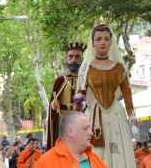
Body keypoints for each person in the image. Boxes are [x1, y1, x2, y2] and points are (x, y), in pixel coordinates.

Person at [76, 24, 137, 168]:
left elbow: (127, 93)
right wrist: (77, 115)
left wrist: (132, 115)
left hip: (116, 115)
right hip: (95, 117)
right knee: (97, 154)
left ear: (111, 42)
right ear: (93, 43)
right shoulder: (86, 68)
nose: (102, 42)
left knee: (119, 153)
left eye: (106, 39)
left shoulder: (119, 67)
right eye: (98, 39)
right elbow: (80, 95)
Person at [47, 42, 87, 149]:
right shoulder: (60, 81)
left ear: (82, 59)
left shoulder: (87, 80)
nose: (74, 59)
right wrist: (53, 106)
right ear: (66, 59)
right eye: (71, 56)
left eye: (77, 57)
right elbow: (52, 108)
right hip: (63, 123)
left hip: (82, 122)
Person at [34, 112, 106, 168]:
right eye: (85, 129)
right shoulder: (45, 163)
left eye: (90, 129)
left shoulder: (96, 159)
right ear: (70, 131)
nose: (91, 133)